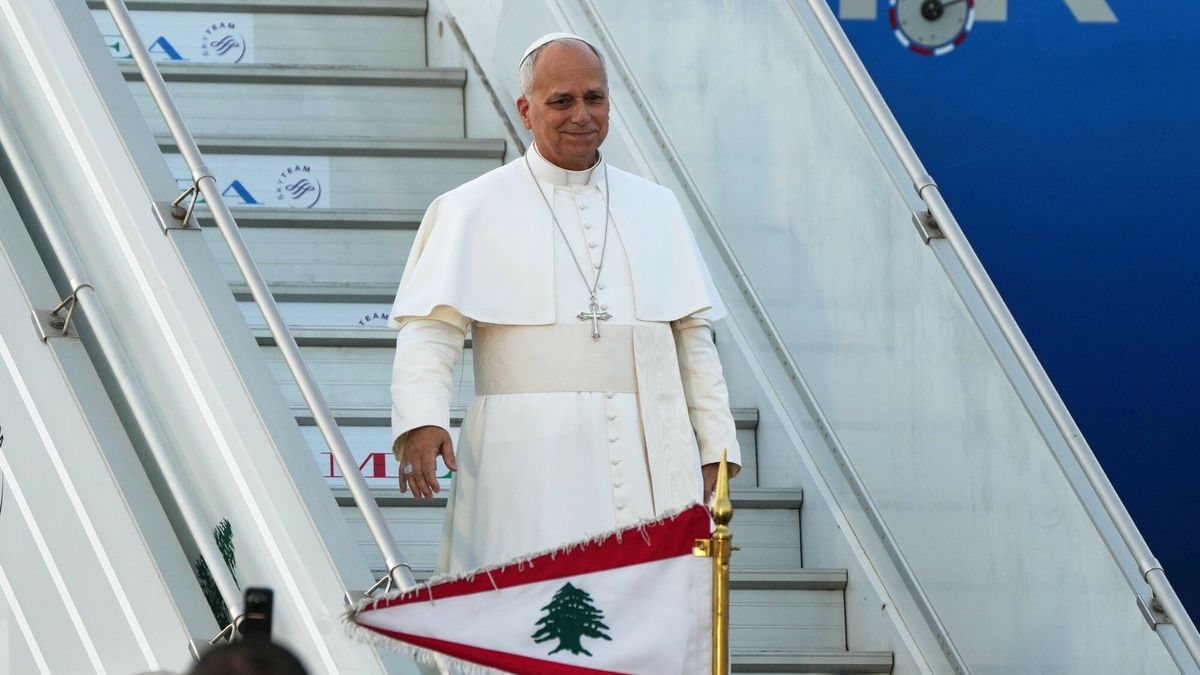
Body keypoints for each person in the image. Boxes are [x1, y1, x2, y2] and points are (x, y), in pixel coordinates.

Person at [389, 32, 741, 574]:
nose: (582, 115)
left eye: (594, 98)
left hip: (650, 452)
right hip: (523, 456)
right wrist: (421, 420)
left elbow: (694, 341)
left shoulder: (657, 207)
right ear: (526, 111)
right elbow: (429, 330)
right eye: (562, 101)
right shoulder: (471, 207)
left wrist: (716, 450)